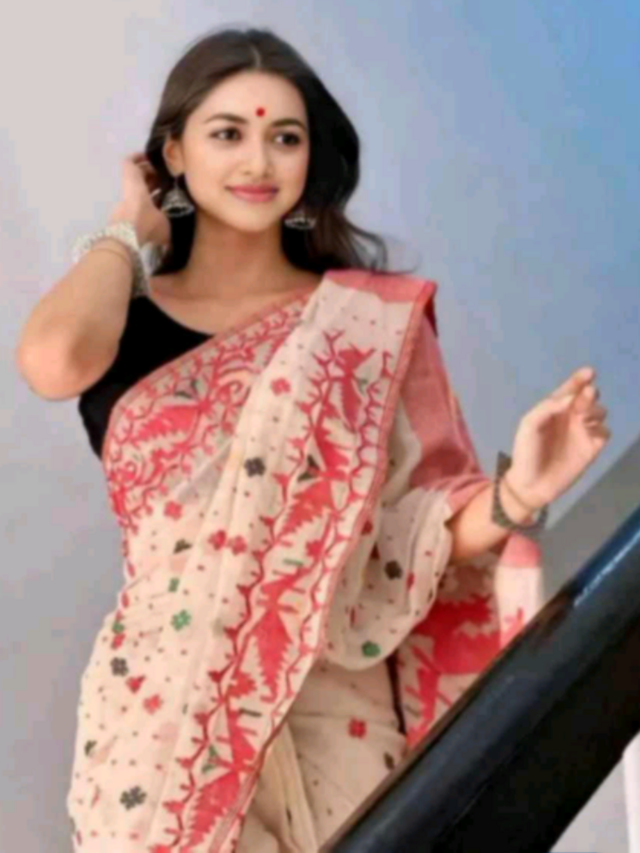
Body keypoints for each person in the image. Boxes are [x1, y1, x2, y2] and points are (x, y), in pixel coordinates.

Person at [15, 26, 610, 853]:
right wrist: (128, 225)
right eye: (228, 133)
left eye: (285, 138)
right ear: (173, 154)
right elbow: (52, 361)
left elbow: (410, 535)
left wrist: (519, 493)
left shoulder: (365, 326)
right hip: (160, 727)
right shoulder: (124, 322)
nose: (258, 161)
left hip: (340, 721)